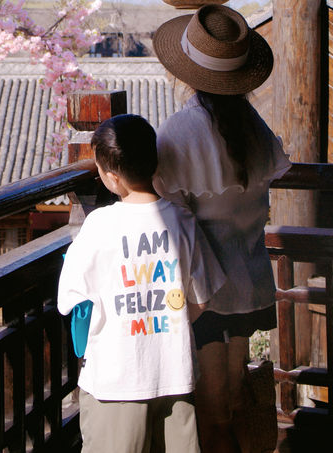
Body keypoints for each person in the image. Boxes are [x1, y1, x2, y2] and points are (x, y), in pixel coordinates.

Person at [152, 4, 291, 453]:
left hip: (202, 292)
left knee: (209, 415)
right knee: (228, 404)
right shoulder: (253, 126)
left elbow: (162, 207)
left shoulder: (181, 130)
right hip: (248, 284)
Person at [58, 113, 225, 453]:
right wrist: (169, 319)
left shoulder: (99, 226)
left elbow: (70, 300)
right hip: (173, 374)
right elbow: (203, 298)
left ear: (111, 176)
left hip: (114, 380)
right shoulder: (182, 219)